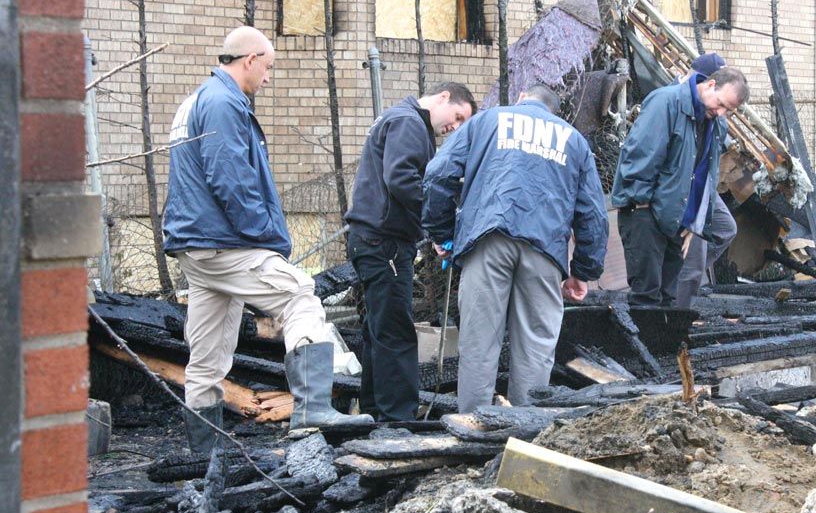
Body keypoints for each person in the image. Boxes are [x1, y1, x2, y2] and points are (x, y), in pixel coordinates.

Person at [163, 26, 367, 456]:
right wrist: (265, 236)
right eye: (268, 67)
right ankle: (312, 411)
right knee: (301, 296)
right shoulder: (222, 103)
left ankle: (204, 456)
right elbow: (230, 178)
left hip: (197, 246)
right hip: (224, 242)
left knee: (207, 356)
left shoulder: (196, 100)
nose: (268, 78)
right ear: (250, 60)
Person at [422, 85, 608, 414]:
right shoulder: (573, 141)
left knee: (479, 340)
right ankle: (526, 432)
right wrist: (583, 271)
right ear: (553, 111)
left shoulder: (485, 122)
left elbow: (438, 175)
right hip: (545, 250)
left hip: (487, 240)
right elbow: (592, 212)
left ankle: (472, 429)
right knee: (536, 343)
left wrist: (444, 235)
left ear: (521, 97)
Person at [346, 83, 477, 421]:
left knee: (379, 329)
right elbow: (402, 179)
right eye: (458, 116)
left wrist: (428, 232)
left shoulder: (398, 118)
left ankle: (375, 410)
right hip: (384, 242)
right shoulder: (409, 123)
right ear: (444, 97)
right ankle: (399, 419)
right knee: (396, 332)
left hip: (372, 239)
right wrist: (436, 219)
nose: (455, 127)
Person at [611, 65, 750, 306]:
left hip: (675, 222)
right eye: (721, 104)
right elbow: (641, 158)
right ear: (710, 85)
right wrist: (642, 207)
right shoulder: (666, 102)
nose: (720, 113)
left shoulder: (716, 124)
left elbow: (704, 176)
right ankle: (643, 344)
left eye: (728, 110)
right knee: (646, 297)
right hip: (644, 214)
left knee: (669, 298)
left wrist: (692, 221)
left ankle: (665, 345)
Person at [673, 53, 739, 309]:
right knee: (690, 272)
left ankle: (684, 267)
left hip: (704, 188)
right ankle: (674, 327)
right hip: (686, 190)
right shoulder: (674, 101)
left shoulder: (715, 111)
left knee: (725, 229)